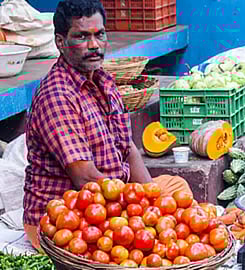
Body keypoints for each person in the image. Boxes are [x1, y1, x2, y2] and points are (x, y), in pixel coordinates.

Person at [23, 0, 192, 250]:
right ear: (61, 42)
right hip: (69, 217)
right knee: (143, 240)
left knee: (177, 189)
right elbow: (85, 179)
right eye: (81, 36)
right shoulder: (57, 96)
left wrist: (152, 198)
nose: (94, 45)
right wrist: (140, 210)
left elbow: (128, 148)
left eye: (99, 35)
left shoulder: (104, 80)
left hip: (113, 196)